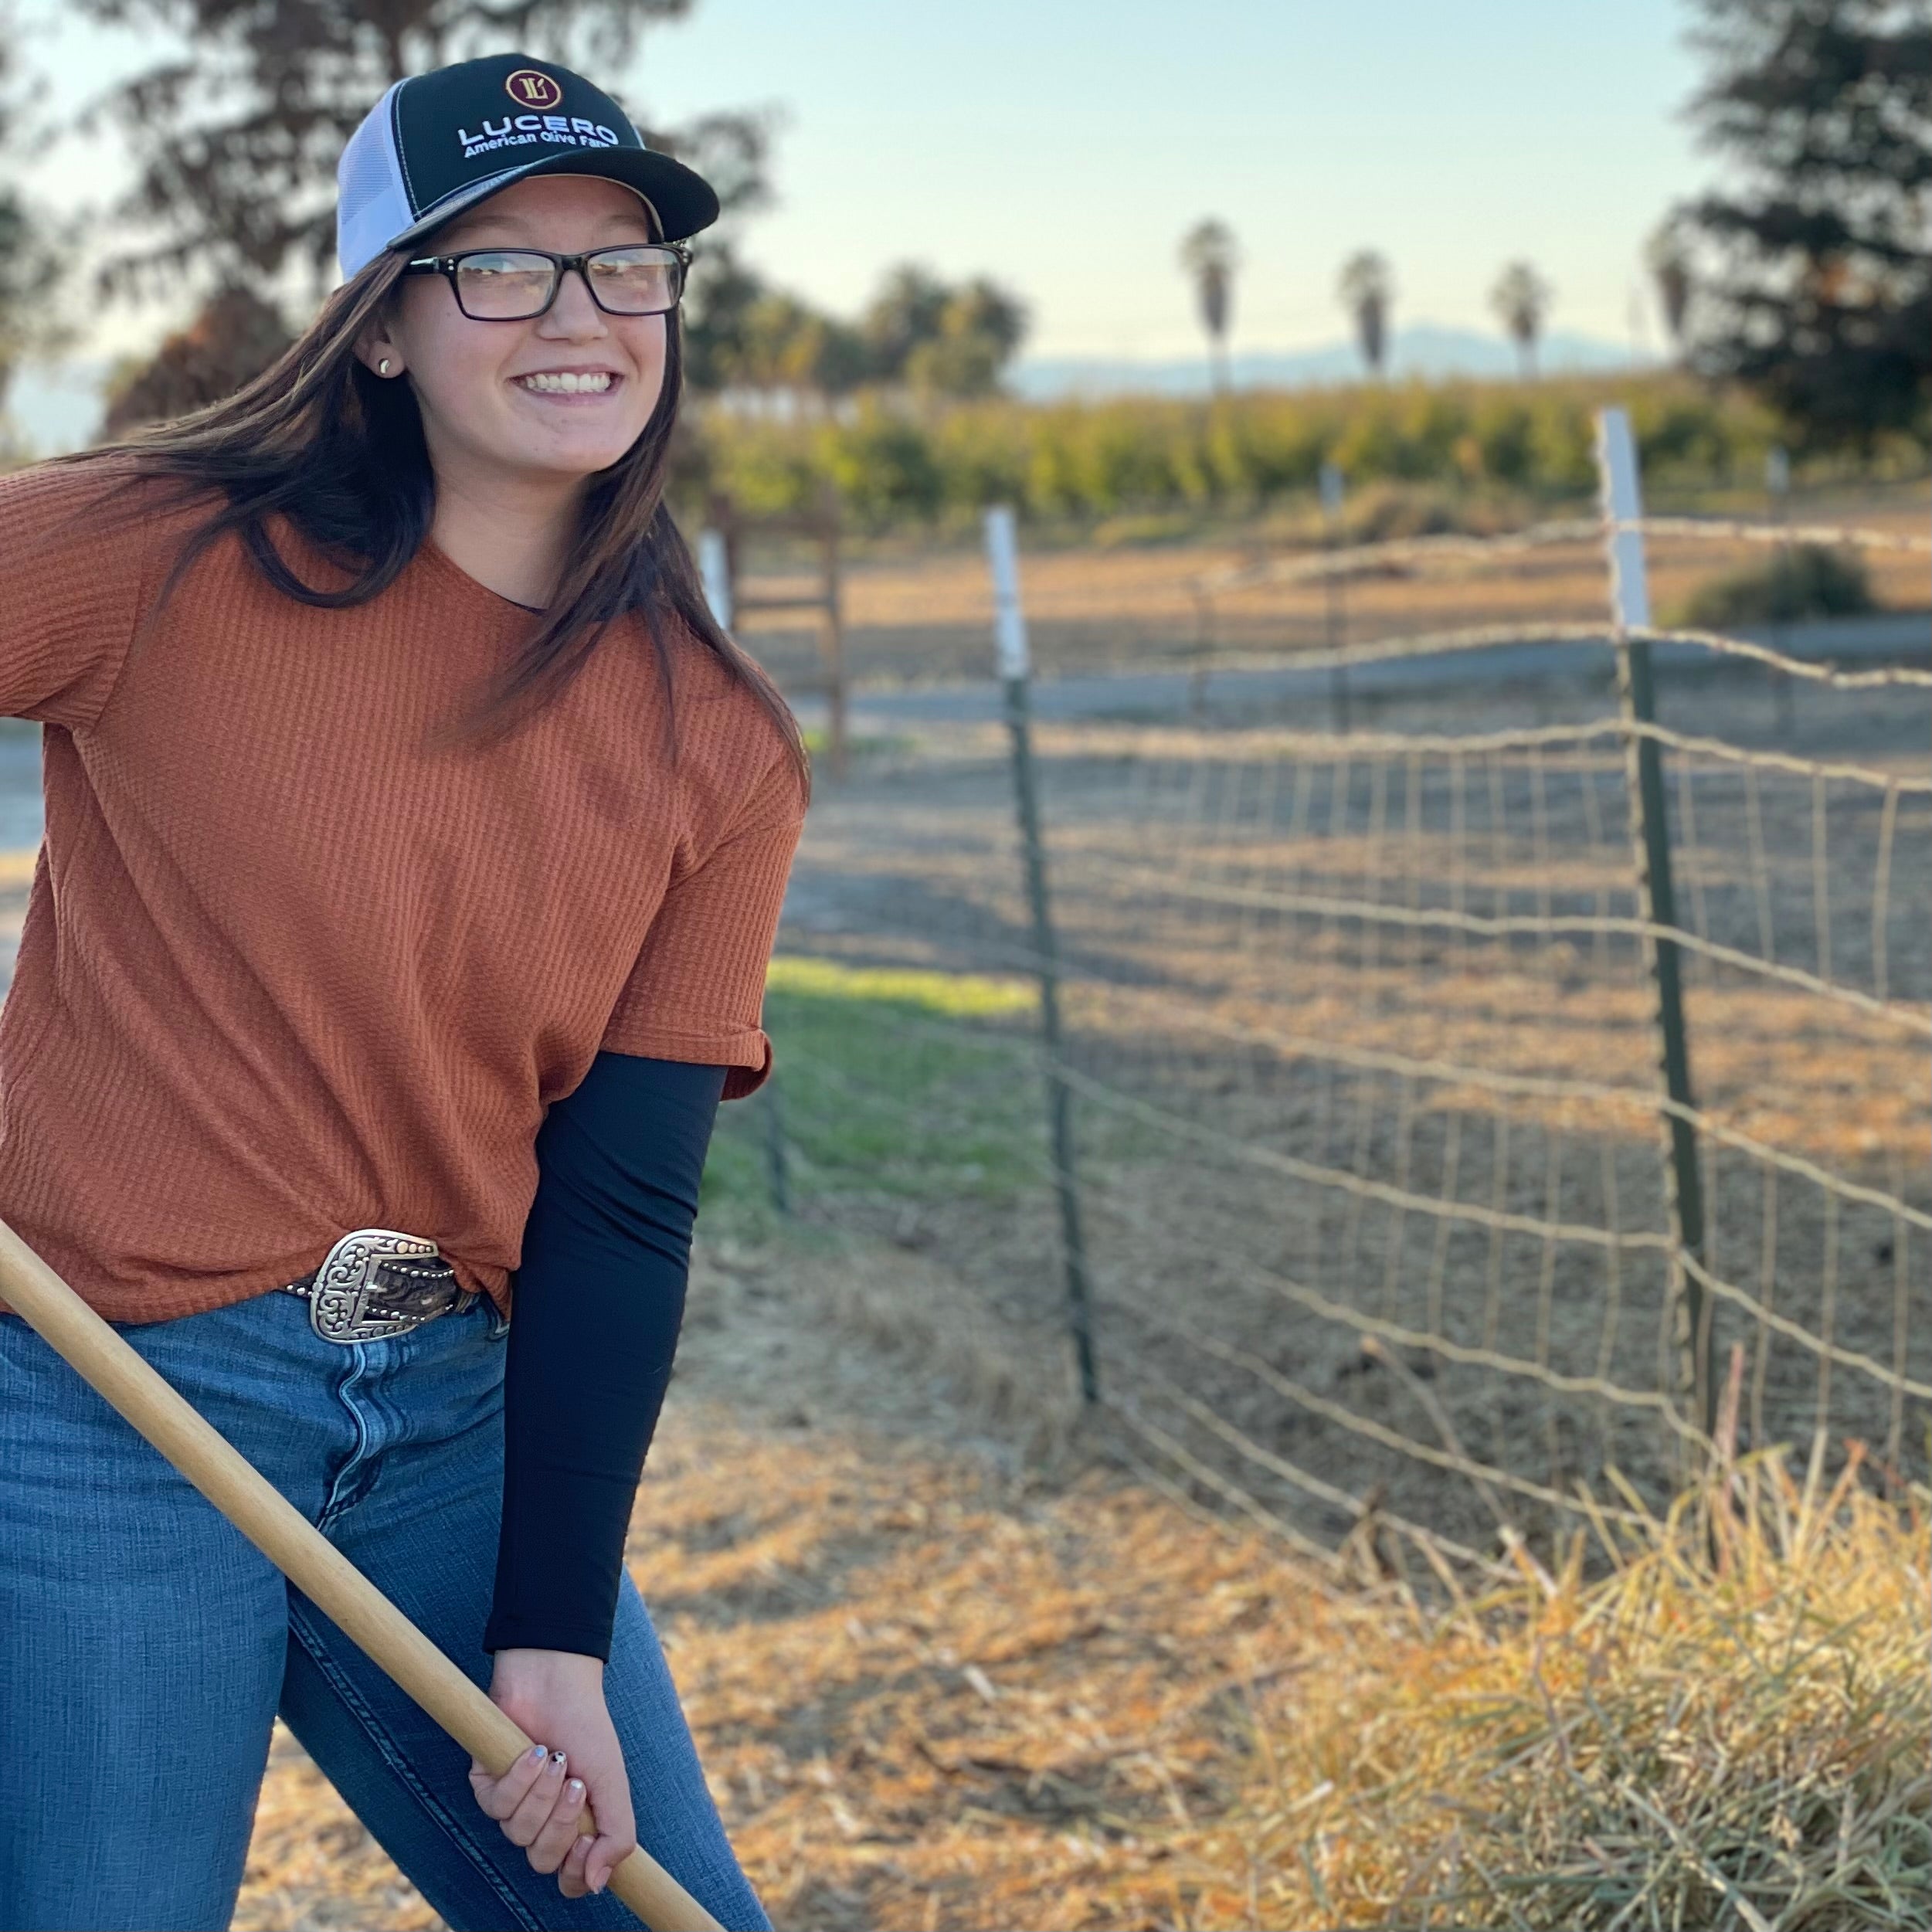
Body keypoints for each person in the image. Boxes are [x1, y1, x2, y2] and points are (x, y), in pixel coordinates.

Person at [0, 49, 805, 1932]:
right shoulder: (158, 555)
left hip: (453, 1422)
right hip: (103, 1400)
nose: (579, 316)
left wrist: (554, 1640)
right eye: (500, 267)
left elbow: (620, 1205)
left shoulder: (717, 745)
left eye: (623, 266)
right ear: (380, 328)